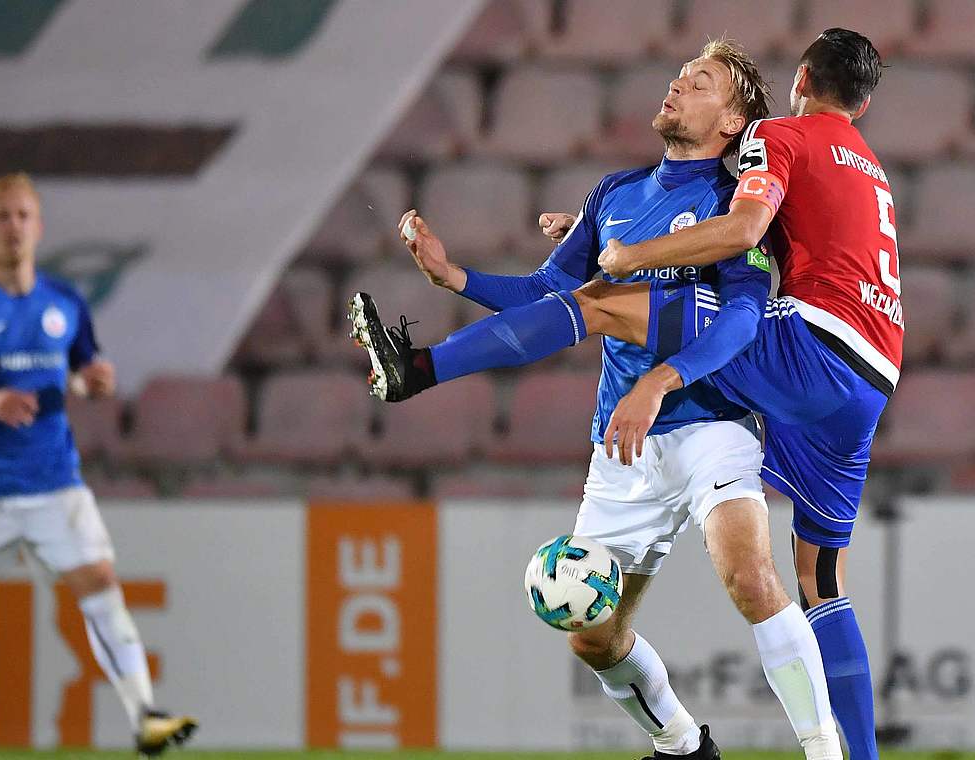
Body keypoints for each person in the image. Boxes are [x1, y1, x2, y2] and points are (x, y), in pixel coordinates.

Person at [356, 28, 895, 760]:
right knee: (594, 636)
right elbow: (549, 294)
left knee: (752, 576)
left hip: (712, 422)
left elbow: (741, 313)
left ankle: (416, 369)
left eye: (701, 83)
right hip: (628, 440)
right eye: (680, 74)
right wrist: (459, 279)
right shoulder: (612, 194)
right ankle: (680, 745)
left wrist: (660, 373)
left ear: (736, 122)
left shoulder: (738, 188)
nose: (677, 86)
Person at [0, 173, 196, 760]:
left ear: (39, 225)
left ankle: (146, 716)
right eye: (2, 217)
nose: (13, 227)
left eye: (23, 215)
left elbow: (83, 369)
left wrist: (93, 382)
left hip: (52, 479)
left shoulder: (64, 302)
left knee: (103, 585)